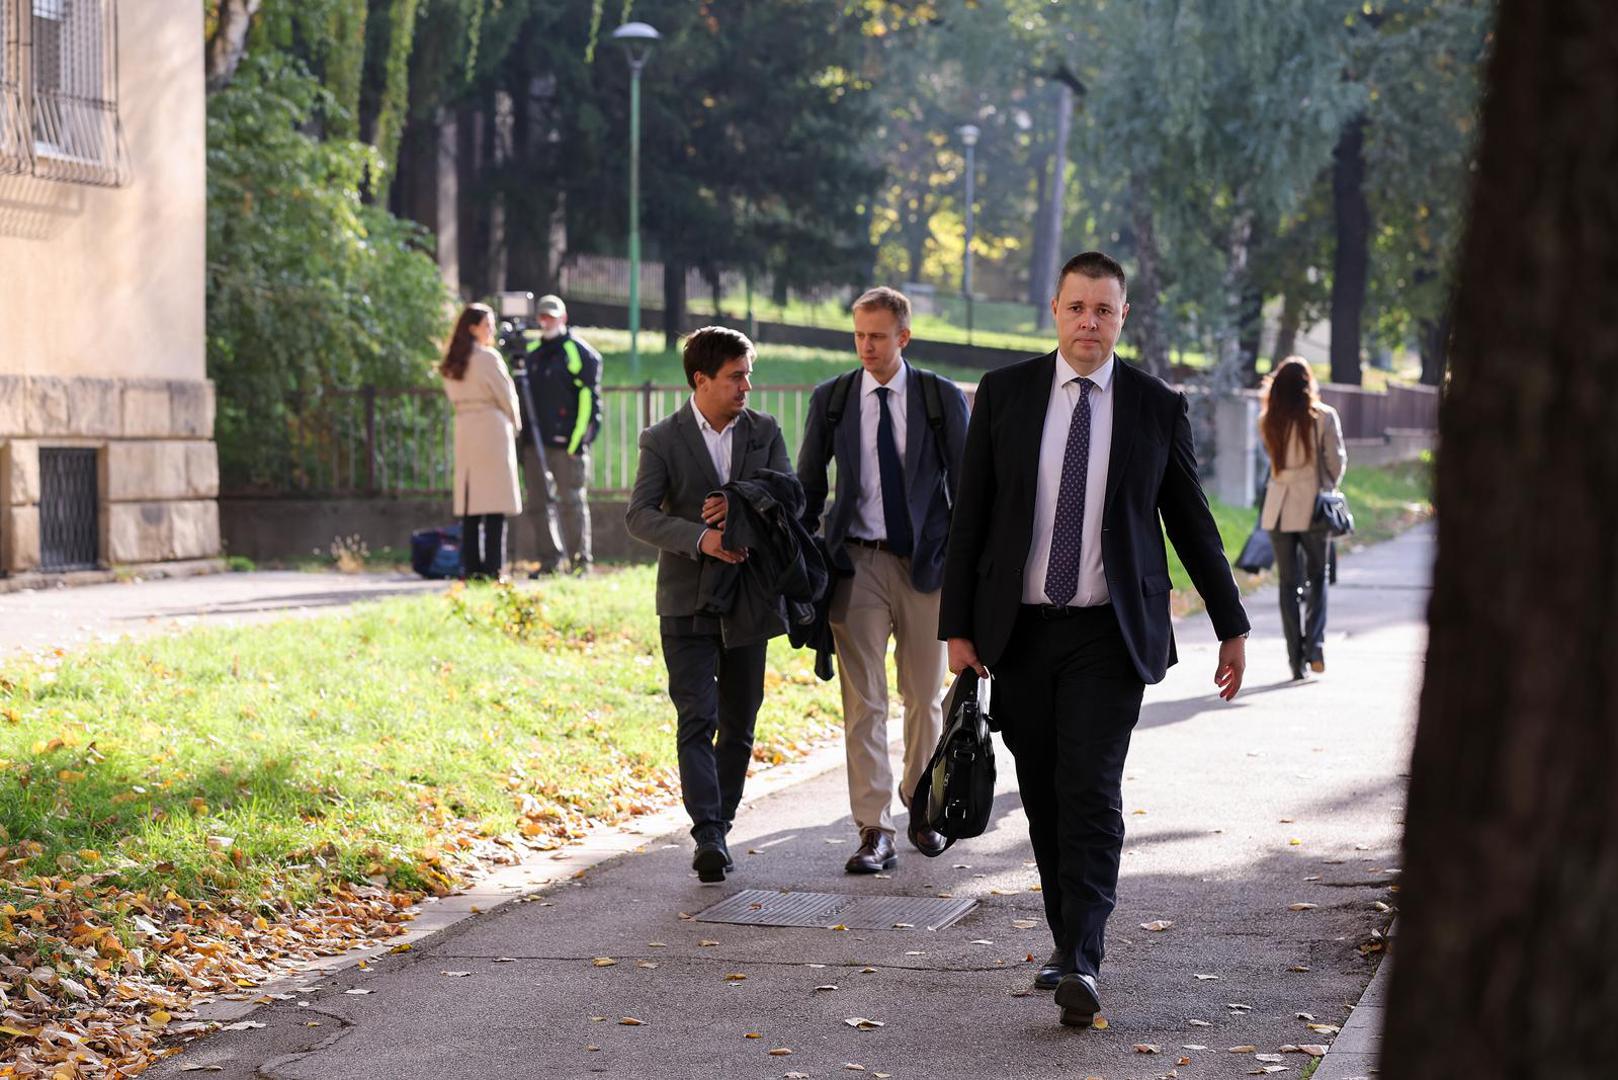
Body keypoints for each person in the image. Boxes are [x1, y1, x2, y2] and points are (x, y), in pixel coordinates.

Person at [939, 251, 1251, 1030]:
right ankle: (1062, 938)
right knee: (1042, 790)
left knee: (1090, 787)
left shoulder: (1153, 404)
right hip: (1021, 632)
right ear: (1055, 309)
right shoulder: (1007, 396)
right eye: (1077, 307)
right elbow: (970, 515)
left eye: (1104, 311)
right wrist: (957, 626)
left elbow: (1191, 520)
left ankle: (1084, 955)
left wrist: (1231, 621)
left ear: (1122, 318)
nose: (1090, 323)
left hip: (1109, 635)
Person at [797, 286, 970, 874]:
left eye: (878, 336)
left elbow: (969, 489)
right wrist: (803, 561)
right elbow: (808, 486)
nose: (867, 347)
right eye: (859, 336)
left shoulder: (939, 398)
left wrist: (969, 571)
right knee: (863, 701)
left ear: (904, 337)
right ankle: (874, 828)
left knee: (923, 696)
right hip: (856, 562)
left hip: (926, 562)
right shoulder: (834, 399)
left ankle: (920, 806)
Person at [625, 326, 793, 884]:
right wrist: (702, 537)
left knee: (740, 722)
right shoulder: (662, 438)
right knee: (697, 716)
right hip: (685, 599)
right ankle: (709, 832)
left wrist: (741, 505)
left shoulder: (764, 430)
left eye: (749, 374)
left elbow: (790, 495)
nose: (748, 386)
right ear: (702, 380)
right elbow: (640, 515)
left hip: (748, 597)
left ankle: (719, 820)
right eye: (736, 376)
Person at [1258, 356, 1346, 680]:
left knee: (1287, 584)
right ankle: (1316, 648)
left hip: (1278, 506)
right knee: (1318, 577)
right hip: (1312, 505)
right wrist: (1329, 487)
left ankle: (1295, 660)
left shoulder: (1268, 419)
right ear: (1309, 384)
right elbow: (1336, 462)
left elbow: (1272, 461)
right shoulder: (1323, 417)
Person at [520, 295, 602, 575]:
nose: (547, 321)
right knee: (538, 504)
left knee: (572, 503)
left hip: (567, 445)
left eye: (552, 316)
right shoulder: (530, 353)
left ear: (563, 318)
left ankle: (581, 563)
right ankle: (550, 562)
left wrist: (578, 440)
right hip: (534, 445)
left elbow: (589, 399)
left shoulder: (580, 352)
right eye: (542, 316)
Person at [439, 303, 522, 580]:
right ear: (473, 328)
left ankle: (472, 567)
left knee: (471, 503)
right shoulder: (488, 358)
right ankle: (494, 568)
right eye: (488, 325)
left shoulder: (453, 360)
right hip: (491, 427)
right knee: (495, 502)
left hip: (465, 427)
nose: (492, 331)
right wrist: (515, 423)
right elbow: (506, 395)